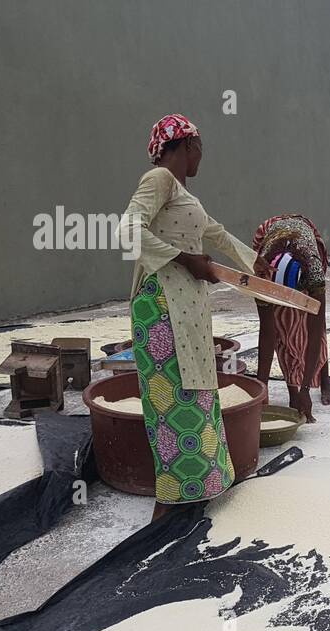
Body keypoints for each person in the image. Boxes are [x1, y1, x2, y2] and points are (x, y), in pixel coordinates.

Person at [122, 114, 263, 521]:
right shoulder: (159, 180)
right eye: (200, 148)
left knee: (196, 395)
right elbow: (128, 229)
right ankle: (168, 508)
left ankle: (193, 496)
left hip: (185, 309)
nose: (203, 157)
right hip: (162, 307)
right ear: (187, 146)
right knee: (174, 404)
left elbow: (215, 233)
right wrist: (186, 259)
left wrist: (257, 266)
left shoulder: (183, 194)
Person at [251, 215, 330, 420]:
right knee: (283, 326)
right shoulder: (261, 275)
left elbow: (316, 333)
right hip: (269, 234)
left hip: (305, 234)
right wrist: (262, 389)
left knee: (314, 323)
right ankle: (292, 390)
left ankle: (324, 380)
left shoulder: (314, 273)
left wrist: (306, 389)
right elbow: (267, 334)